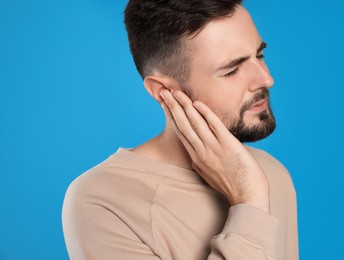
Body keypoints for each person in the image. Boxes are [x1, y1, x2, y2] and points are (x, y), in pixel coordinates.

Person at [62, 0, 299, 259]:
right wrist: (249, 202)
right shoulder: (102, 201)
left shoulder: (273, 174)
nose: (266, 79)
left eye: (259, 55)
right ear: (165, 92)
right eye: (231, 70)